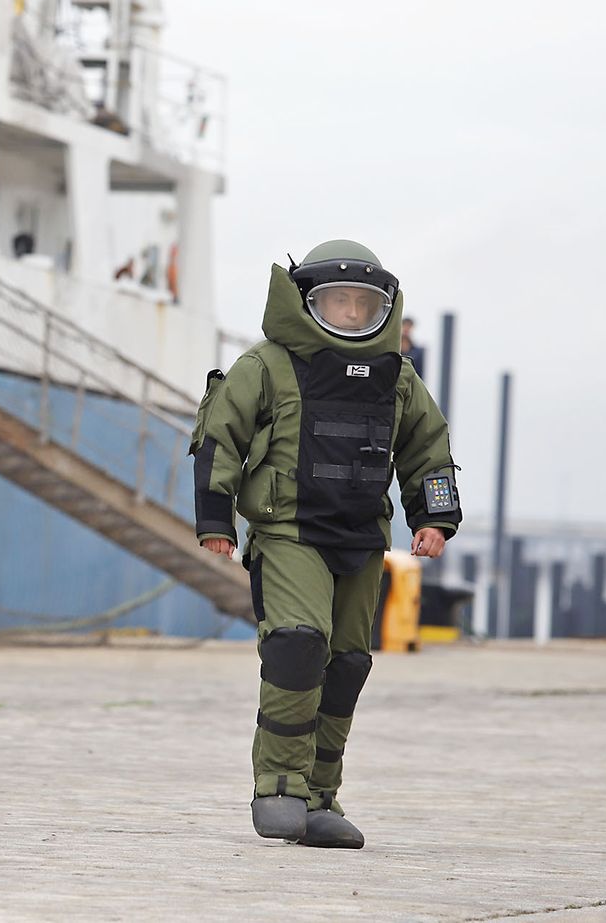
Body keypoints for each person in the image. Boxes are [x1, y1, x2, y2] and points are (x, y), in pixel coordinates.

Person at [189, 239, 462, 849]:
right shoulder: (267, 365)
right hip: (289, 531)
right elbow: (219, 437)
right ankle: (279, 786)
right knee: (296, 645)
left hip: (361, 537)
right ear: (307, 302)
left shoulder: (396, 378)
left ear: (380, 308)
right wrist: (215, 521)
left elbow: (428, 450)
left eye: (362, 304)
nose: (348, 314)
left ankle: (318, 797)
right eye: (335, 302)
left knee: (346, 665)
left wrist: (434, 517)